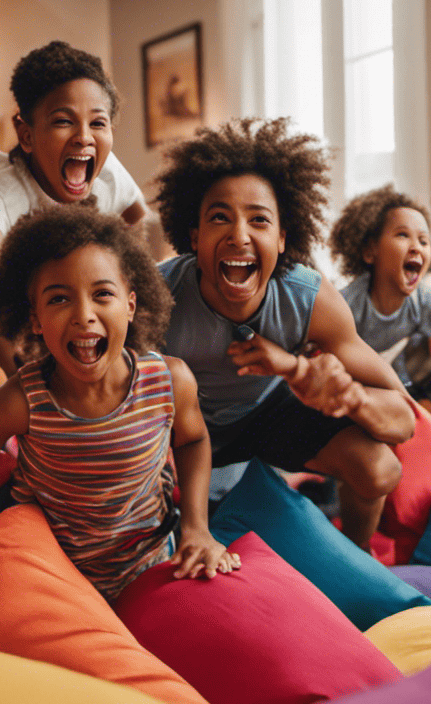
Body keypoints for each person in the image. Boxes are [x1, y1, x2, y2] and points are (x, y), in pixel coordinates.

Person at [0, 205, 240, 599]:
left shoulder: (169, 381)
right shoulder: (24, 399)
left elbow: (192, 441)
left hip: (148, 566)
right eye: (58, 300)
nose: (84, 316)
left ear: (131, 305)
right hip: (52, 578)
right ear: (34, 320)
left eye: (103, 294)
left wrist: (196, 526)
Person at [154, 117, 416, 549]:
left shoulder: (309, 299)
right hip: (184, 429)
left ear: (281, 238)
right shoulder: (158, 296)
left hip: (267, 415)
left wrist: (344, 394)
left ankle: (358, 557)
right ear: (194, 236)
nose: (239, 236)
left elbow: (402, 421)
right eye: (220, 218)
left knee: (380, 468)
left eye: (259, 220)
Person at [0, 41, 148, 377]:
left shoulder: (107, 171)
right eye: (63, 121)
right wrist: (18, 365)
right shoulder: (1, 195)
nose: (84, 138)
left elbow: (137, 214)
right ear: (26, 135)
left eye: (98, 123)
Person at [329, 185, 431, 468]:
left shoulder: (429, 302)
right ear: (370, 252)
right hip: (395, 380)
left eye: (424, 240)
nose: (416, 246)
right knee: (369, 446)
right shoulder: (348, 305)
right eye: (403, 235)